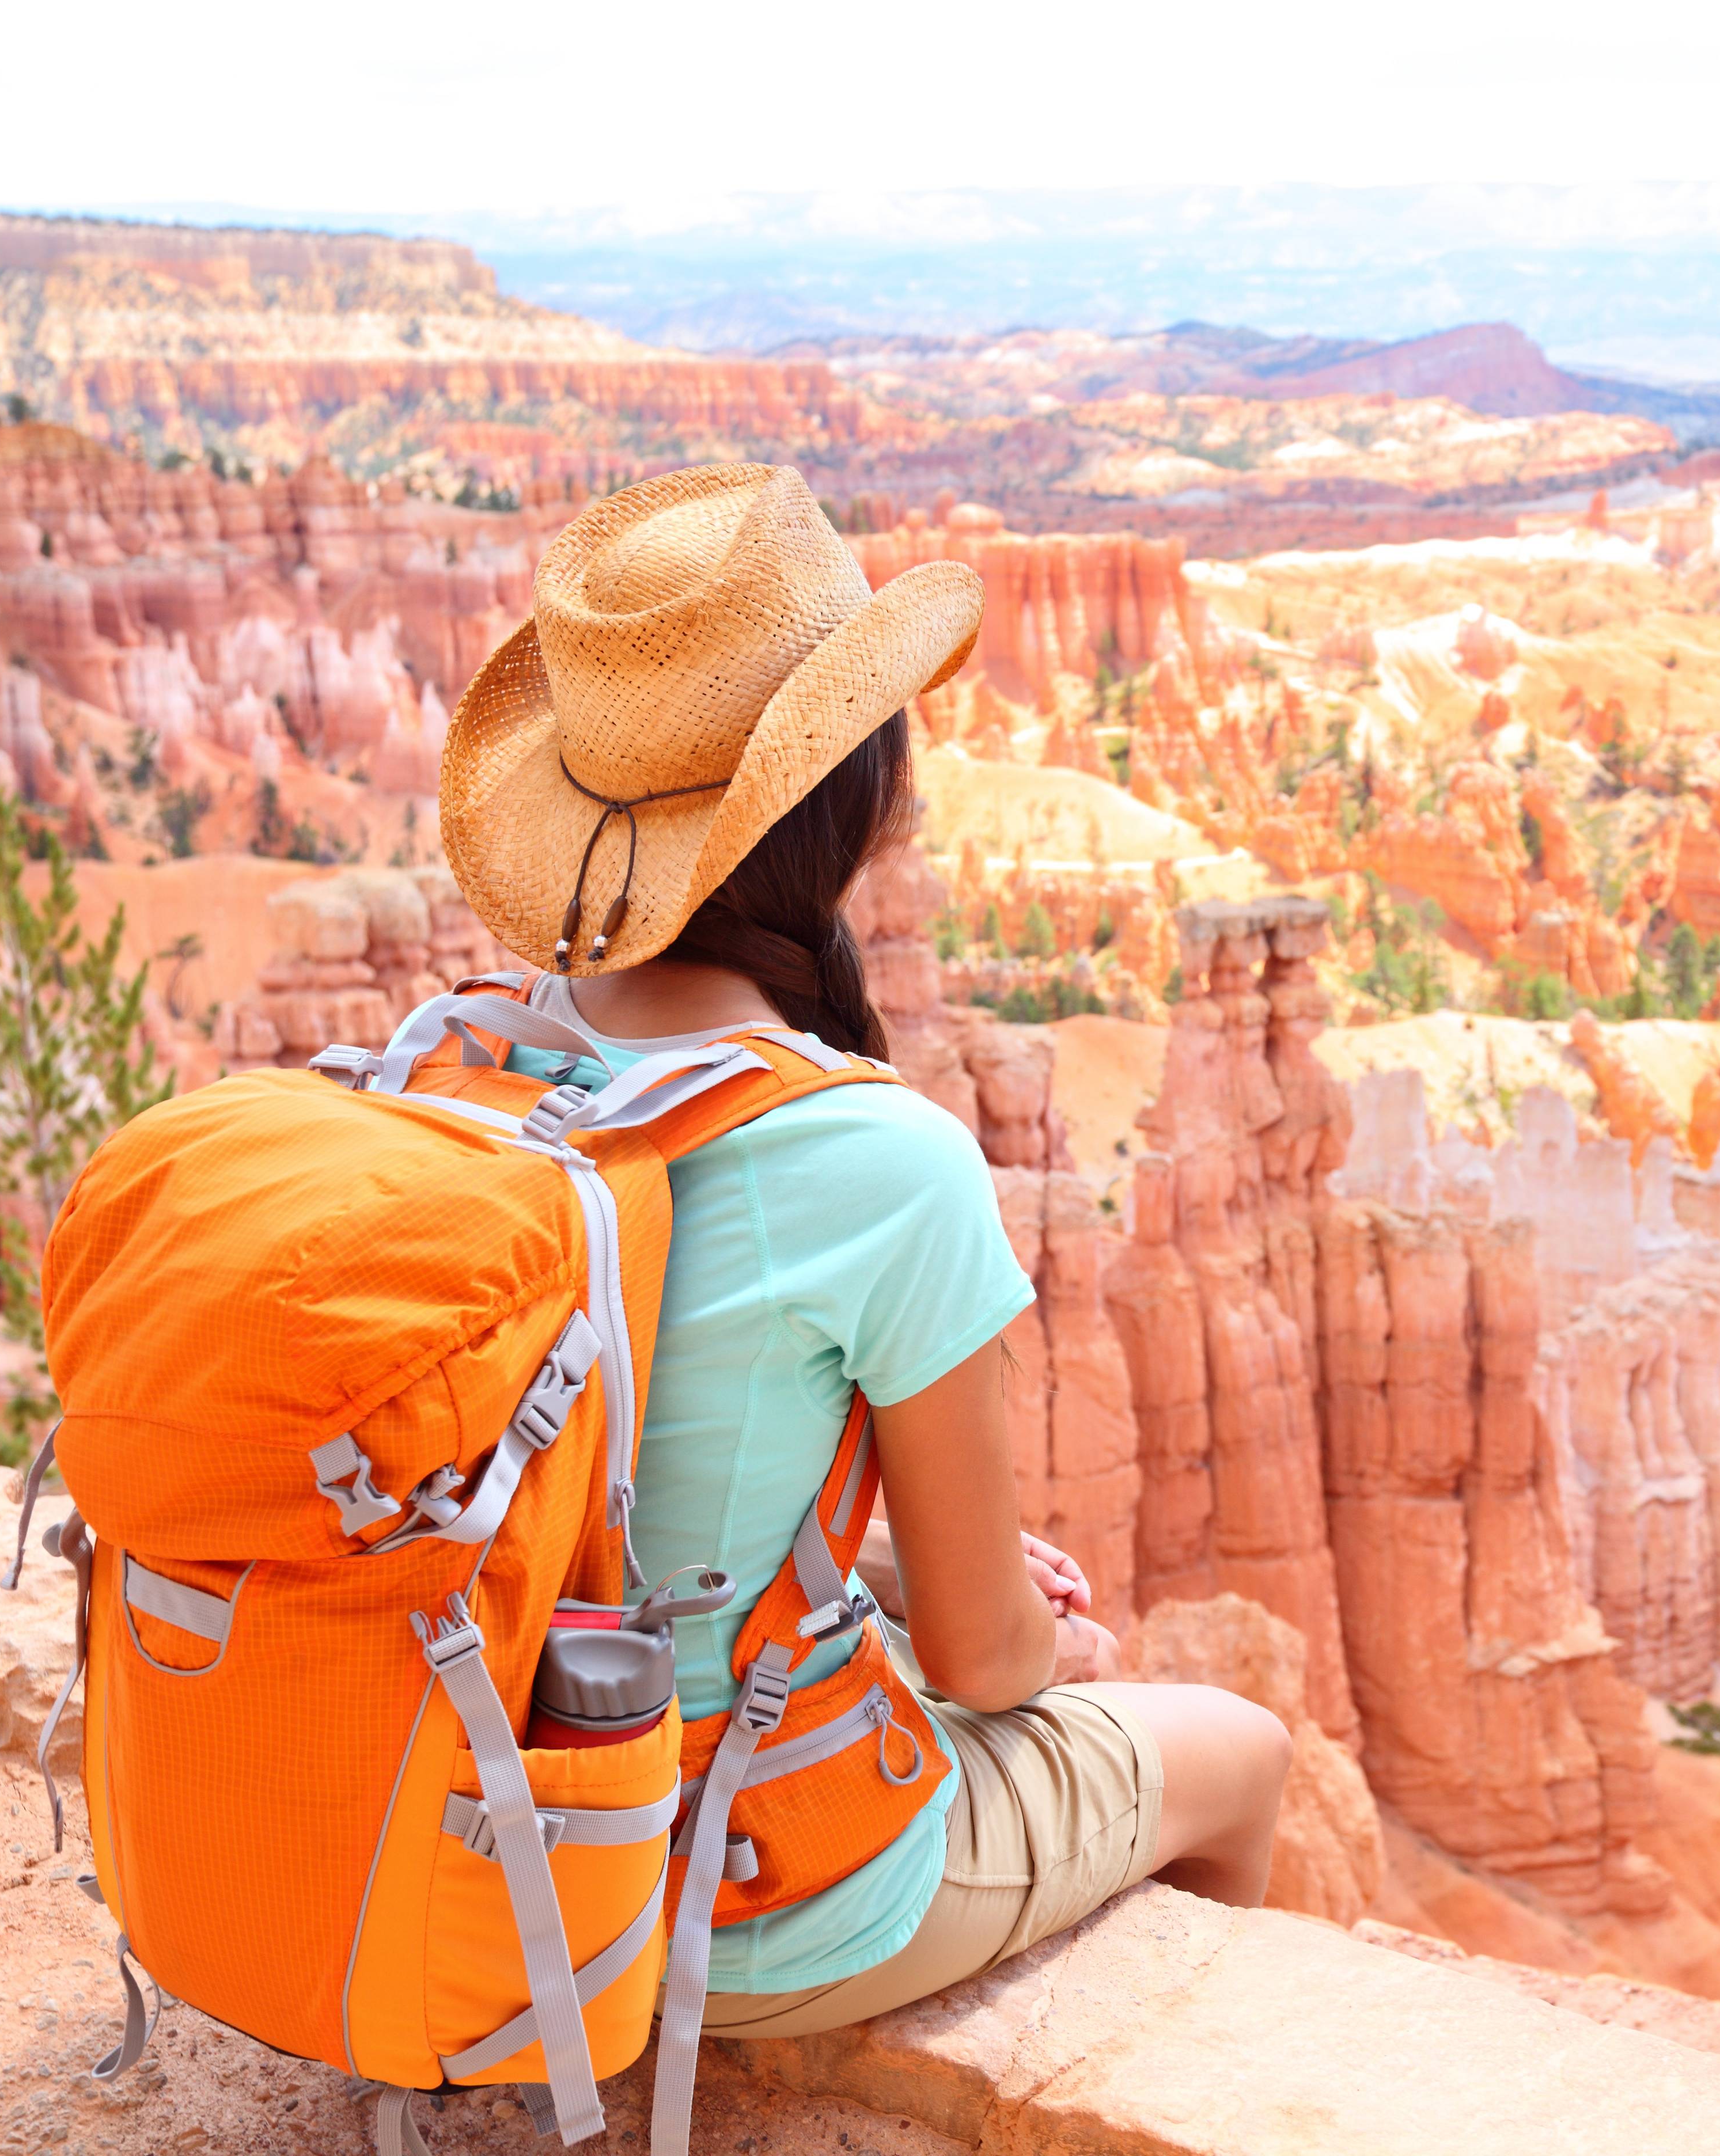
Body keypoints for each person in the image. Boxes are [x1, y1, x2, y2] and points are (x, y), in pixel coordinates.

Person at [435, 460, 1290, 2039]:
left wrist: (868, 1564)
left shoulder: (460, 1064)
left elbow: (569, 1486)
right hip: (716, 1891)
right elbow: (983, 1662)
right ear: (857, 798)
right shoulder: (873, 1156)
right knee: (1240, 1751)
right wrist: (1055, 1643)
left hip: (434, 1832)